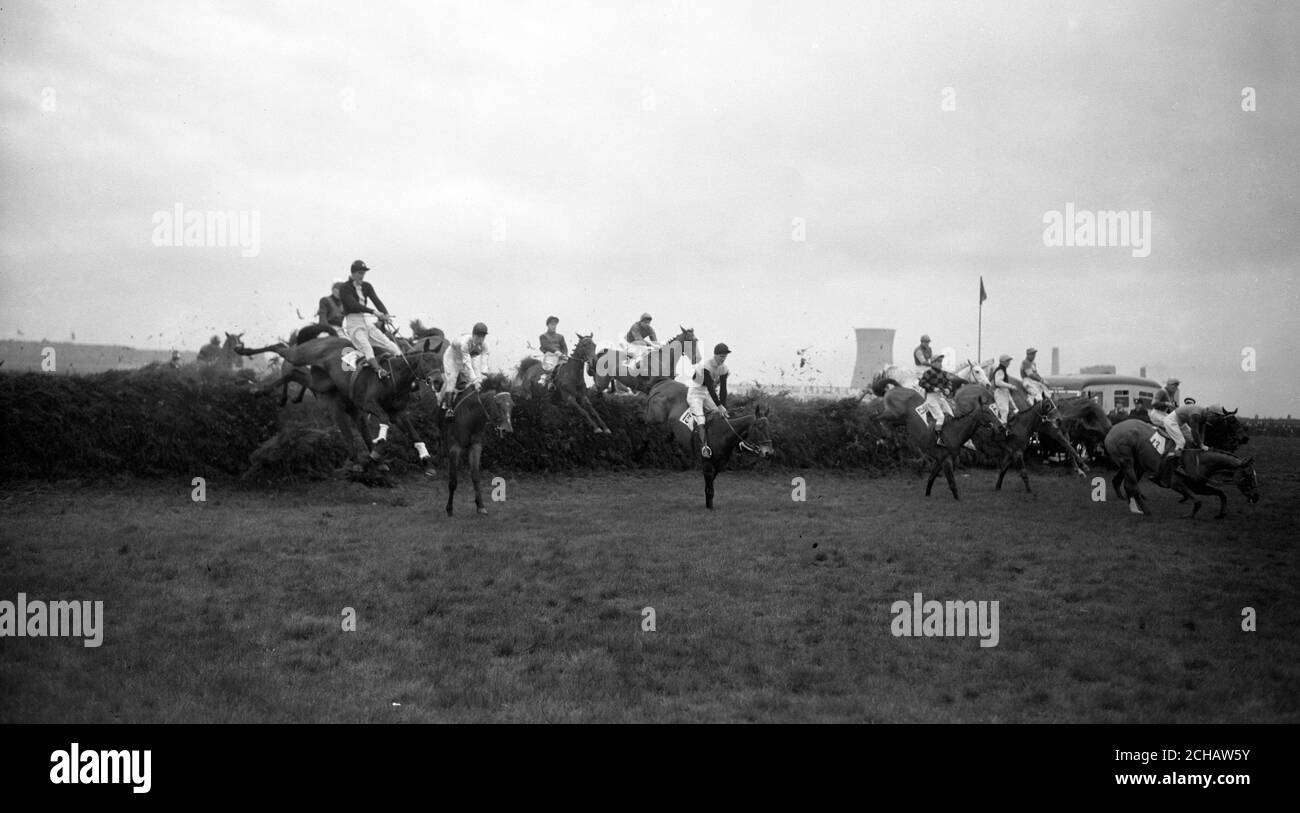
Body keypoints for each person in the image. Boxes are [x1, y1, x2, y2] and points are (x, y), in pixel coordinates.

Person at [339, 260, 399, 379]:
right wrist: (374, 312)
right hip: (353, 323)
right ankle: (379, 371)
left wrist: (385, 314)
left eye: (363, 273)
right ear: (353, 273)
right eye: (360, 273)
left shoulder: (367, 286)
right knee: (366, 347)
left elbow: (376, 300)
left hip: (366, 322)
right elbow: (353, 305)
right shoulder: (344, 288)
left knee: (388, 344)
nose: (362, 276)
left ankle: (402, 363)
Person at [687, 343, 731, 458]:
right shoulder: (706, 365)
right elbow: (711, 388)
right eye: (721, 356)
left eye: (725, 356)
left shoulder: (724, 368)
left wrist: (723, 407)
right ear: (715, 355)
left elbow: (723, 390)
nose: (723, 359)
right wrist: (719, 405)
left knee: (721, 413)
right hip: (695, 392)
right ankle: (704, 448)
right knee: (701, 419)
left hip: (706, 392)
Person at [441, 323, 490, 417]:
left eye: (483, 337)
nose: (480, 339)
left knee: (474, 379)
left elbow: (483, 364)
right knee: (452, 378)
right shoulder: (465, 342)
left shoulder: (485, 346)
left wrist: (482, 378)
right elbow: (467, 364)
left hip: (465, 358)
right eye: (478, 336)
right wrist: (475, 381)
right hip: (452, 358)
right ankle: (448, 408)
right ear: (473, 335)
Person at [1151, 377, 1187, 485]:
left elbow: (1172, 409)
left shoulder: (1171, 395)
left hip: (1163, 414)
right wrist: (1166, 404)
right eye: (1174, 385)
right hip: (1156, 414)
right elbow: (1154, 403)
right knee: (1173, 429)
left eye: (1177, 386)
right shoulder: (1162, 391)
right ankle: (1170, 454)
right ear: (1169, 385)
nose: (1176, 388)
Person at [919, 355, 955, 442]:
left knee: (951, 414)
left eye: (941, 362)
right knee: (940, 417)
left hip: (940, 396)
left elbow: (949, 382)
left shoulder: (943, 373)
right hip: (931, 397)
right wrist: (933, 388)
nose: (940, 364)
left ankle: (948, 433)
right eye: (938, 362)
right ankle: (937, 438)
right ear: (933, 363)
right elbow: (921, 382)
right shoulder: (928, 372)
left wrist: (948, 389)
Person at [538, 316, 568, 387]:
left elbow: (564, 347)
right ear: (547, 325)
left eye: (555, 324)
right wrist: (556, 352)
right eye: (552, 324)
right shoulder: (543, 336)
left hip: (560, 356)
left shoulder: (560, 336)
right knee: (550, 366)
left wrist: (564, 355)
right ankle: (549, 382)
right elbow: (546, 346)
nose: (554, 326)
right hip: (550, 355)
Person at [991, 353, 1018, 430]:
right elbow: (998, 382)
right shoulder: (1000, 370)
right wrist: (1010, 386)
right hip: (1000, 392)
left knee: (1011, 409)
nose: (1009, 363)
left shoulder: (1002, 369)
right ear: (1003, 362)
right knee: (1004, 410)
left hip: (1004, 392)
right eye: (1008, 361)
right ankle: (1003, 428)